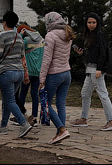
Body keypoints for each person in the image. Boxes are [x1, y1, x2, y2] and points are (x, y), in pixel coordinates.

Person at [0, 10, 33, 138]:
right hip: (19, 71)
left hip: (7, 72)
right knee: (8, 100)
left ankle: (23, 123)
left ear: (4, 23)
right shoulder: (19, 36)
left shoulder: (2, 35)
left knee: (9, 100)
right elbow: (21, 54)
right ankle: (3, 126)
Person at [71, 12, 112, 131]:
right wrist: (83, 53)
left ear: (98, 23)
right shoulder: (89, 36)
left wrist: (99, 69)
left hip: (95, 69)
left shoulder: (99, 35)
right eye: (89, 22)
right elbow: (92, 53)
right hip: (90, 68)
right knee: (85, 93)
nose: (91, 25)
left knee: (102, 94)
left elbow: (102, 53)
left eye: (94, 22)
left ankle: (111, 120)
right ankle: (83, 118)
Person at [39, 11, 76, 145]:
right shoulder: (67, 33)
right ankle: (60, 133)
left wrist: (41, 79)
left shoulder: (50, 36)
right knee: (61, 104)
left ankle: (61, 130)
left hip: (54, 74)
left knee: (46, 104)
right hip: (66, 72)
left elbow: (47, 60)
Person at [16, 22, 44, 125]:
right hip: (38, 72)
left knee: (22, 94)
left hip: (28, 72)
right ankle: (35, 117)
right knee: (34, 95)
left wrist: (21, 35)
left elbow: (17, 45)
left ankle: (20, 116)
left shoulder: (26, 41)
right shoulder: (41, 39)